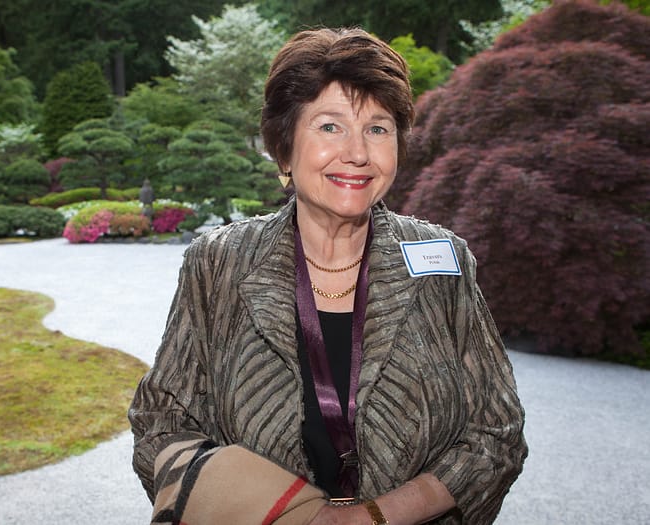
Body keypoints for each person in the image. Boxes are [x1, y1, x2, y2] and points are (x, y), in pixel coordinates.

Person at [129, 27, 527, 525]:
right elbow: (160, 421)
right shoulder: (219, 262)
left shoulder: (442, 260)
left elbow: (498, 430)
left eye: (378, 129)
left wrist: (376, 517)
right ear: (284, 148)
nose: (358, 153)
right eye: (330, 126)